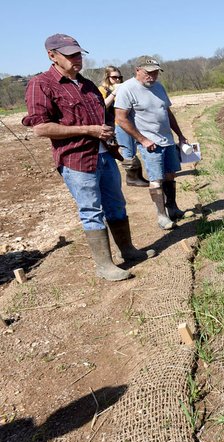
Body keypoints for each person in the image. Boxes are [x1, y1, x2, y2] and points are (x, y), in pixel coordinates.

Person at [22, 34, 147, 281]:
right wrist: (87, 130)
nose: (76, 59)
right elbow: (41, 128)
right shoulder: (42, 84)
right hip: (77, 161)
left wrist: (111, 141)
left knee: (117, 205)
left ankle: (128, 250)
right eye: (70, 55)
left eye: (78, 54)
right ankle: (105, 265)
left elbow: (104, 118)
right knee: (92, 210)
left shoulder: (88, 85)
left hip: (104, 156)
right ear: (52, 55)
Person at [114, 56, 189, 230]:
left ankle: (173, 208)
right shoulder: (127, 89)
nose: (152, 76)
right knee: (156, 180)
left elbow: (167, 113)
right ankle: (162, 216)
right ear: (137, 70)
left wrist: (180, 135)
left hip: (167, 140)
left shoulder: (159, 87)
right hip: (150, 143)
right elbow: (121, 119)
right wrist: (142, 139)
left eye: (155, 72)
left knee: (171, 175)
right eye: (149, 73)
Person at [98, 66, 148, 187]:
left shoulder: (123, 88)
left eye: (119, 77)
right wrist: (114, 93)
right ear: (107, 78)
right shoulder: (103, 90)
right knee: (128, 151)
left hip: (129, 123)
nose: (118, 80)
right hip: (117, 124)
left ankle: (137, 176)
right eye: (114, 77)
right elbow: (101, 106)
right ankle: (132, 178)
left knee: (132, 149)